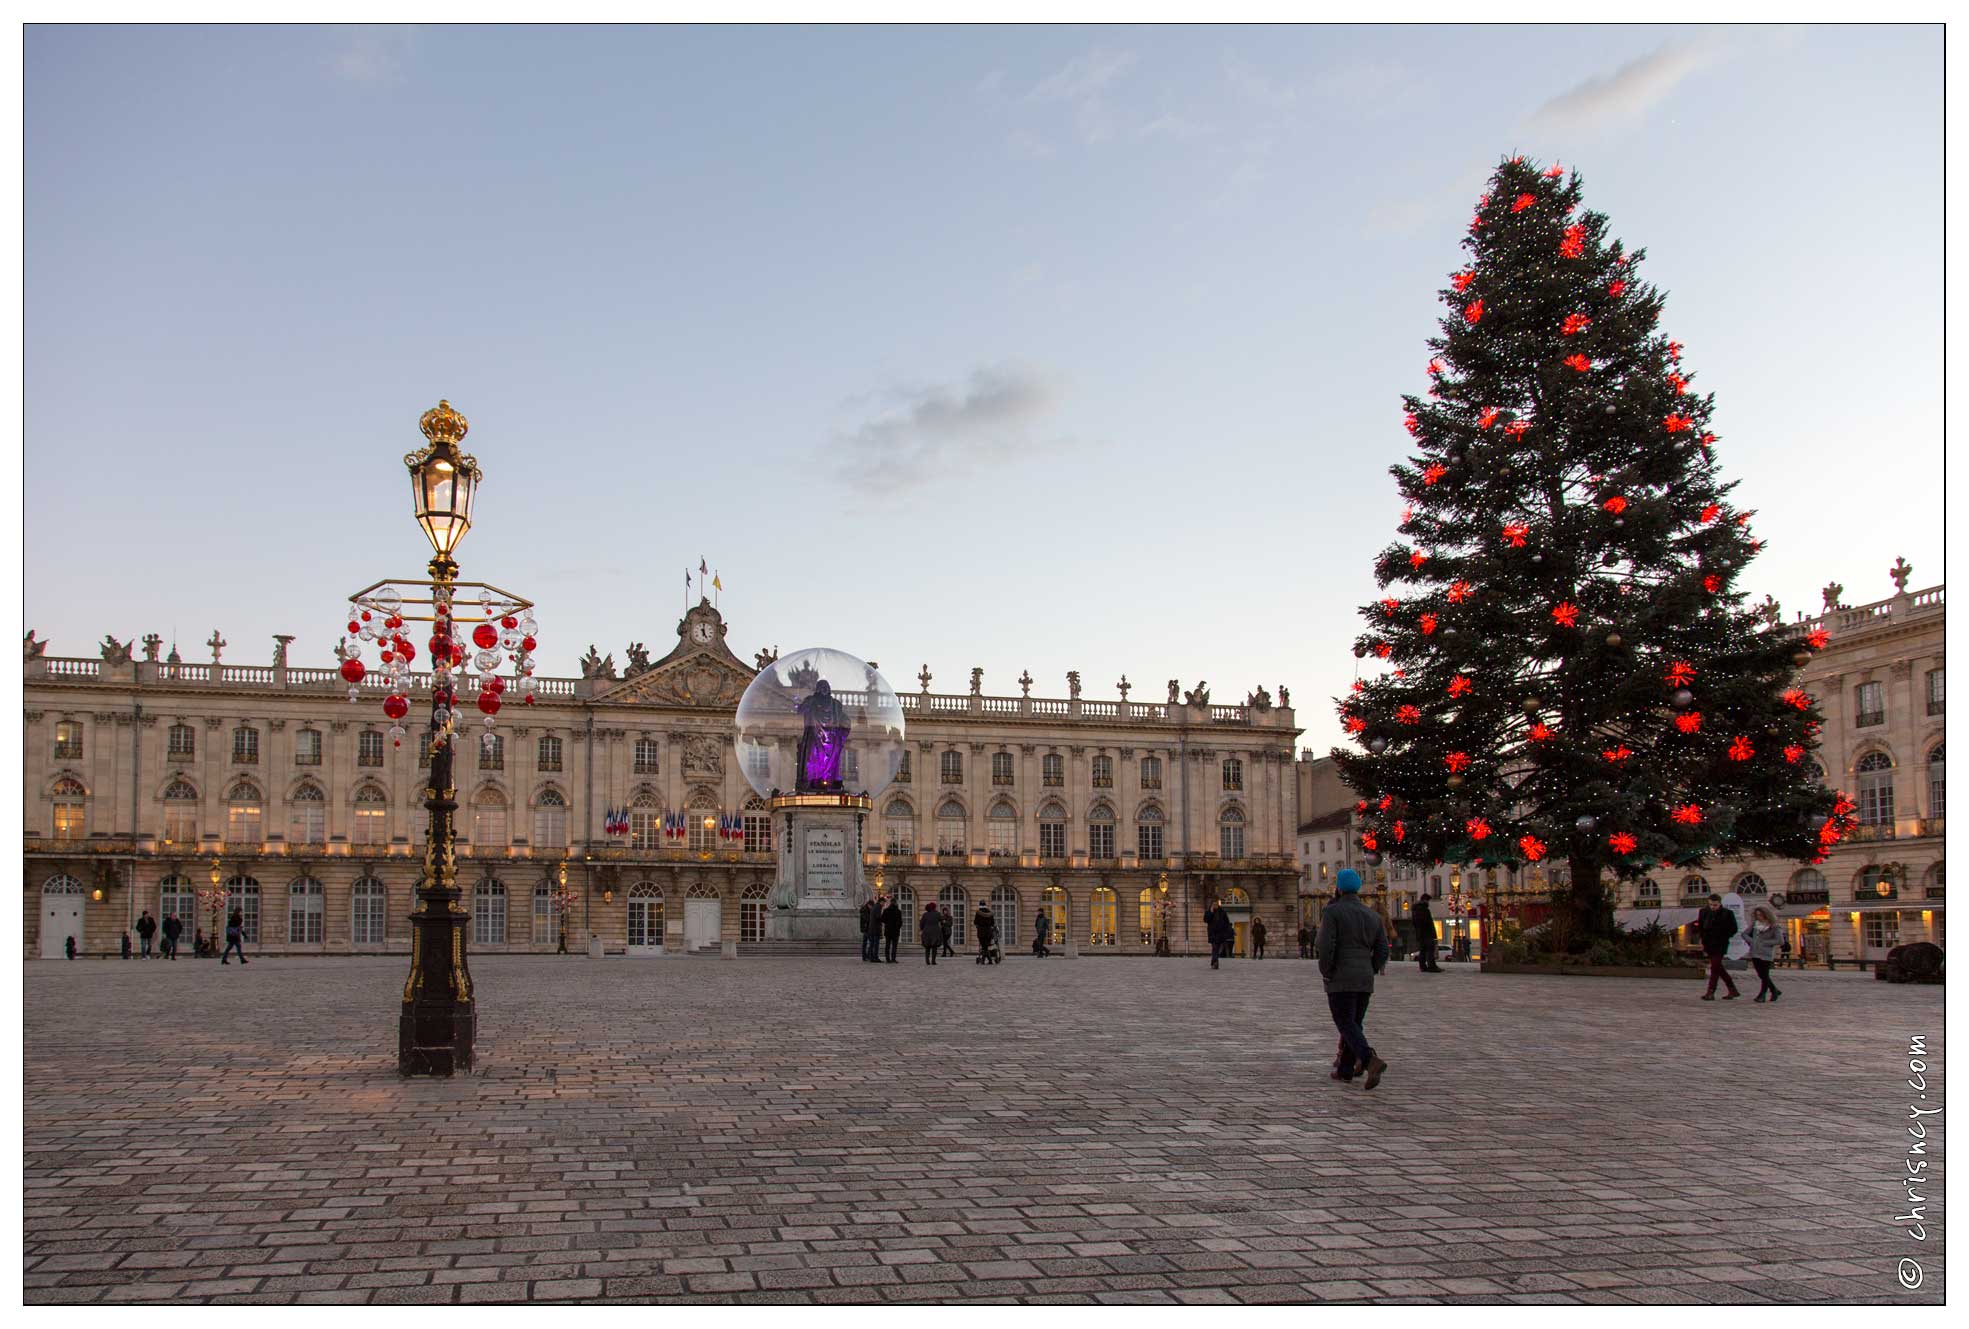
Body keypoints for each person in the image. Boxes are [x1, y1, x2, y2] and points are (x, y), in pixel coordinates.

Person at [1316, 869, 1389, 1089]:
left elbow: (1325, 945)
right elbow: (1383, 949)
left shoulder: (1333, 912)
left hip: (1341, 977)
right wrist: (1371, 968)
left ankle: (1369, 1060)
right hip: (1365, 978)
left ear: (1338, 888)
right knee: (1354, 1023)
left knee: (1345, 1022)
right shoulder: (1373, 915)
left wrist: (1327, 971)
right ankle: (1345, 1070)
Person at [1696, 893, 1739, 1000]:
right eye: (1711, 904)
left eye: (1715, 905)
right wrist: (1702, 940)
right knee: (1718, 967)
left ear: (1720, 903)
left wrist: (1724, 935)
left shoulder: (1727, 913)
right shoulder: (1703, 912)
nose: (1713, 907)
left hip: (1720, 943)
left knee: (1714, 967)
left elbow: (1734, 928)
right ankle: (1732, 989)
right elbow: (1701, 927)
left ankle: (1711, 991)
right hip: (1708, 943)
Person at [1745, 905, 1784, 1003]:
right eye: (1757, 915)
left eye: (1761, 915)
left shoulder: (1774, 926)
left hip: (1766, 953)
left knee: (1765, 974)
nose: (1759, 917)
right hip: (1755, 951)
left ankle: (1762, 994)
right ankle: (1774, 990)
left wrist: (1764, 942)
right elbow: (1744, 934)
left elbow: (1780, 941)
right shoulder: (1755, 924)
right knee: (1761, 974)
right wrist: (1752, 941)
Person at [1411, 894, 1443, 972]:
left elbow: (1415, 923)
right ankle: (1431, 966)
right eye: (1428, 900)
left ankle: (1423, 966)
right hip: (1426, 933)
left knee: (1423, 950)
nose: (1428, 902)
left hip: (1420, 933)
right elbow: (1427, 922)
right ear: (1425, 900)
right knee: (1430, 949)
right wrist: (1431, 932)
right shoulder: (1423, 909)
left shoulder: (1416, 909)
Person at [1205, 901, 1231, 968]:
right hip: (1212, 933)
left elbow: (1227, 922)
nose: (1215, 905)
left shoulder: (1222, 912)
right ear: (1211, 905)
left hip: (1220, 933)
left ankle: (1213, 962)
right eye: (1213, 904)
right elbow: (1206, 920)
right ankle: (1215, 963)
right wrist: (1211, 912)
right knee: (1215, 948)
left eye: (1216, 904)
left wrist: (1225, 931)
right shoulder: (1208, 912)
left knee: (1216, 949)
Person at [881, 895, 903, 964]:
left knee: (887, 945)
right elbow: (900, 922)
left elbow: (882, 919)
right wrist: (898, 927)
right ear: (896, 903)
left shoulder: (886, 910)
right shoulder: (898, 911)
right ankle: (893, 959)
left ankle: (887, 959)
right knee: (894, 946)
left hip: (888, 930)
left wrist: (887, 923)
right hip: (895, 931)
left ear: (890, 903)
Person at [859, 896, 879, 963]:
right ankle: (866, 956)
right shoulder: (864, 910)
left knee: (866, 943)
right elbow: (867, 919)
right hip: (866, 928)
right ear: (868, 905)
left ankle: (865, 956)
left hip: (867, 928)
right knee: (870, 942)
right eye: (871, 906)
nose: (872, 908)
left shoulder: (866, 910)